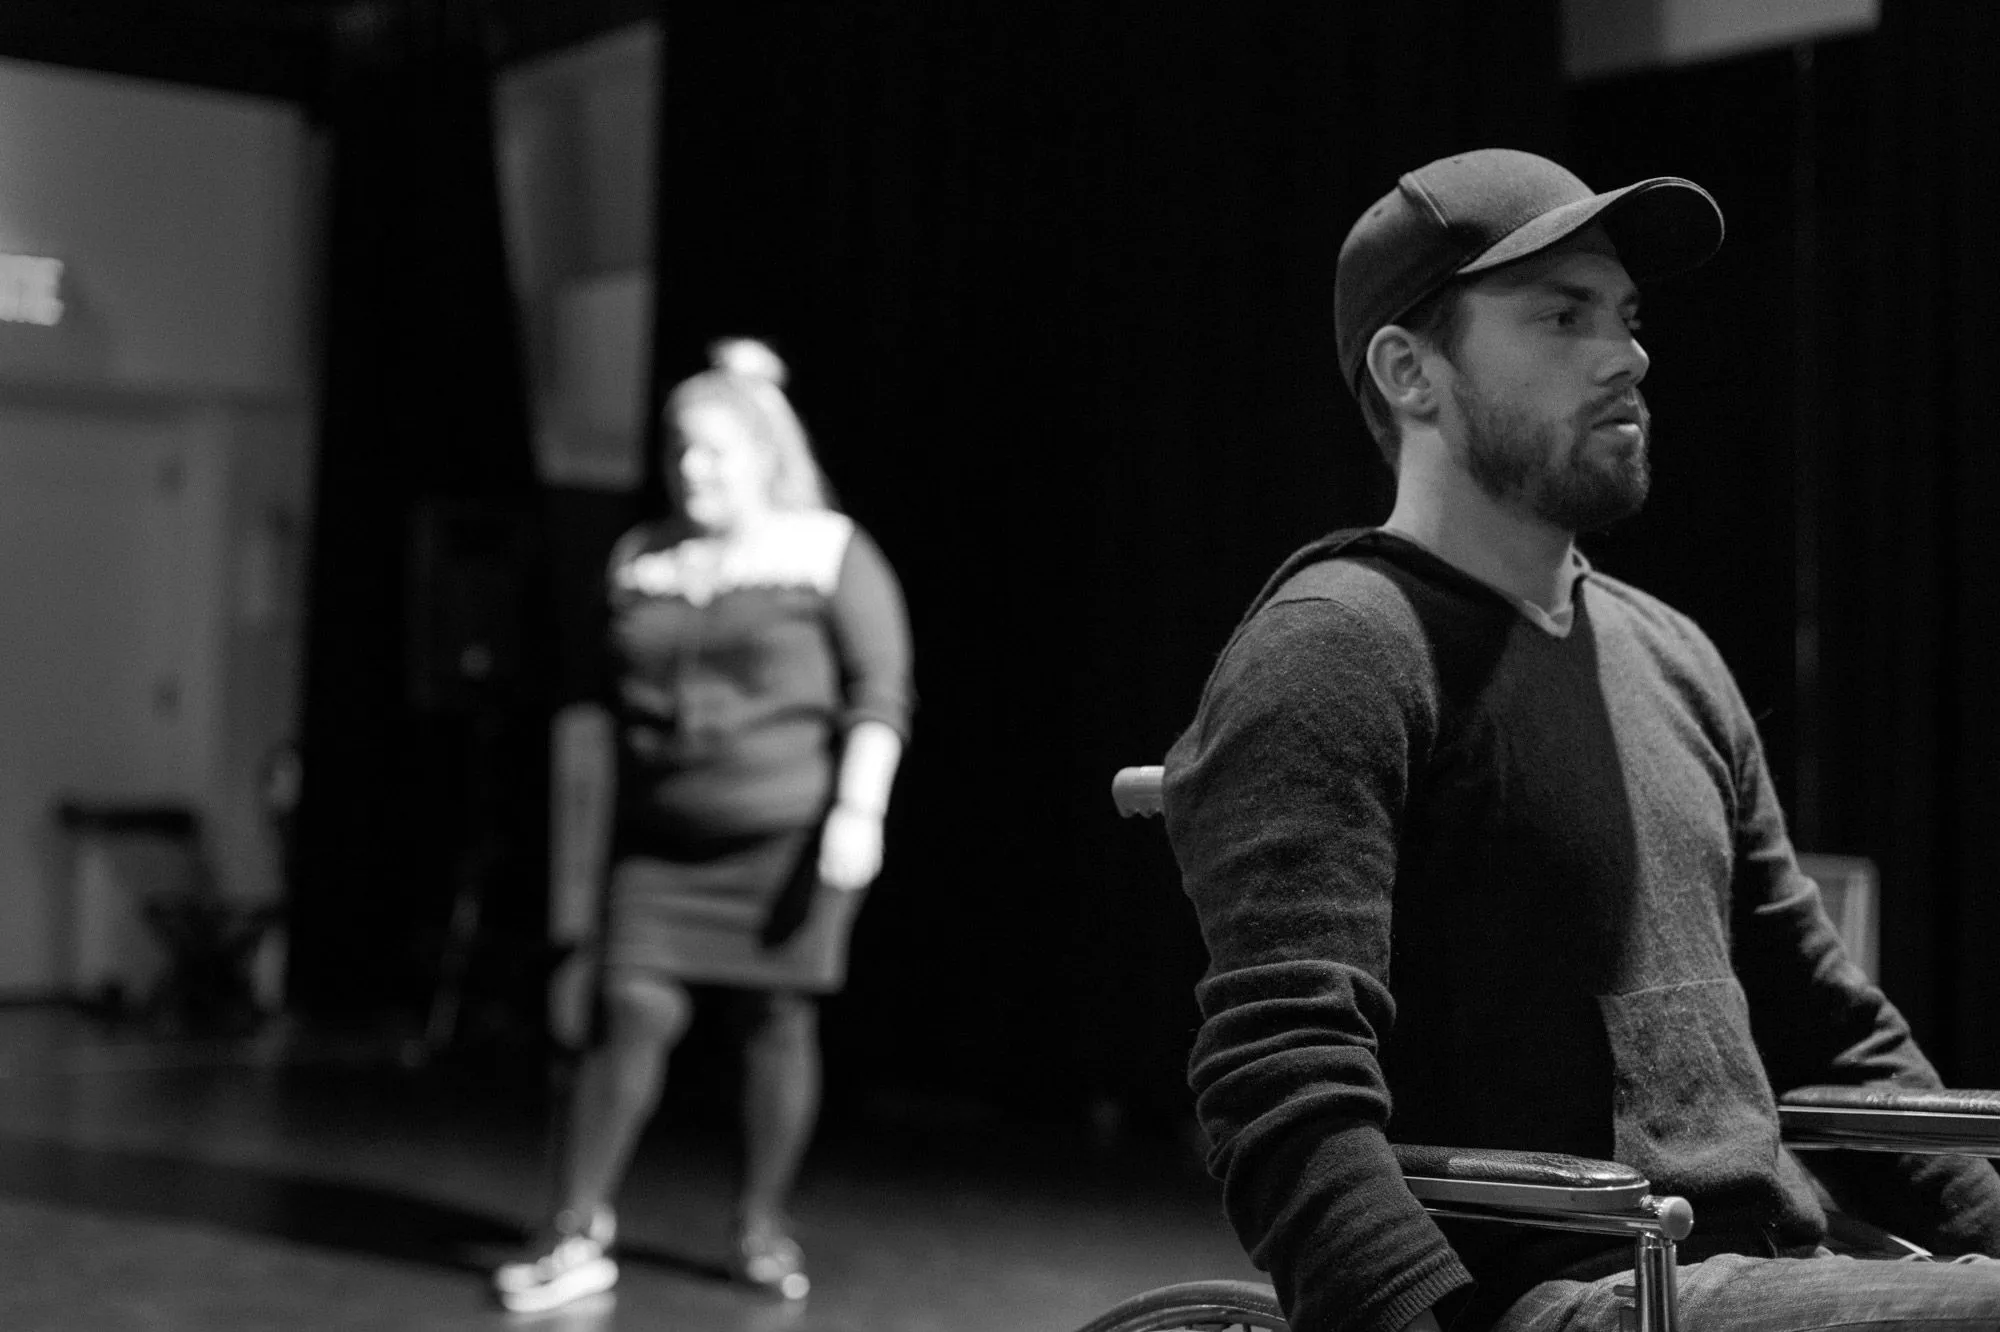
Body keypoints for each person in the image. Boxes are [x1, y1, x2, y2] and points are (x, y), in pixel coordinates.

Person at [1161, 148, 2000, 1332]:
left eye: (1625, 316)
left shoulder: (1670, 654)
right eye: (1562, 316)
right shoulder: (1335, 648)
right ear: (1409, 372)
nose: (1626, 355)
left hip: (1775, 1265)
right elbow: (1280, 1087)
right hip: (1577, 1289)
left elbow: (1829, 1033)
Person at [493, 338, 913, 1315]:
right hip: (659, 847)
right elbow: (592, 707)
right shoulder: (641, 557)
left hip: (786, 841)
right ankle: (574, 1231)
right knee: (628, 1012)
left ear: (764, 455)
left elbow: (879, 695)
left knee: (774, 1023)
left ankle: (759, 1228)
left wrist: (859, 812)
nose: (693, 469)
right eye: (680, 450)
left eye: (715, 452)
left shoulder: (826, 549)